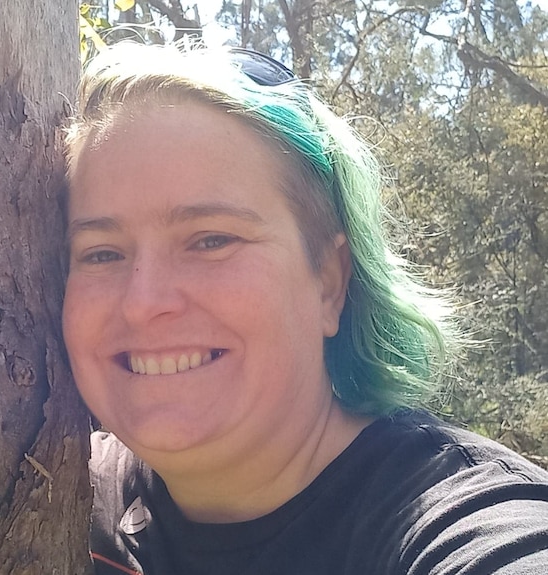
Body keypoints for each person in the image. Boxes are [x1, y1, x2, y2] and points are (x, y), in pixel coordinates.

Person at [60, 42, 548, 575]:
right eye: (102, 253)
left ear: (329, 282)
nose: (143, 302)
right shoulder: (50, 495)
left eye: (211, 240)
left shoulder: (454, 519)